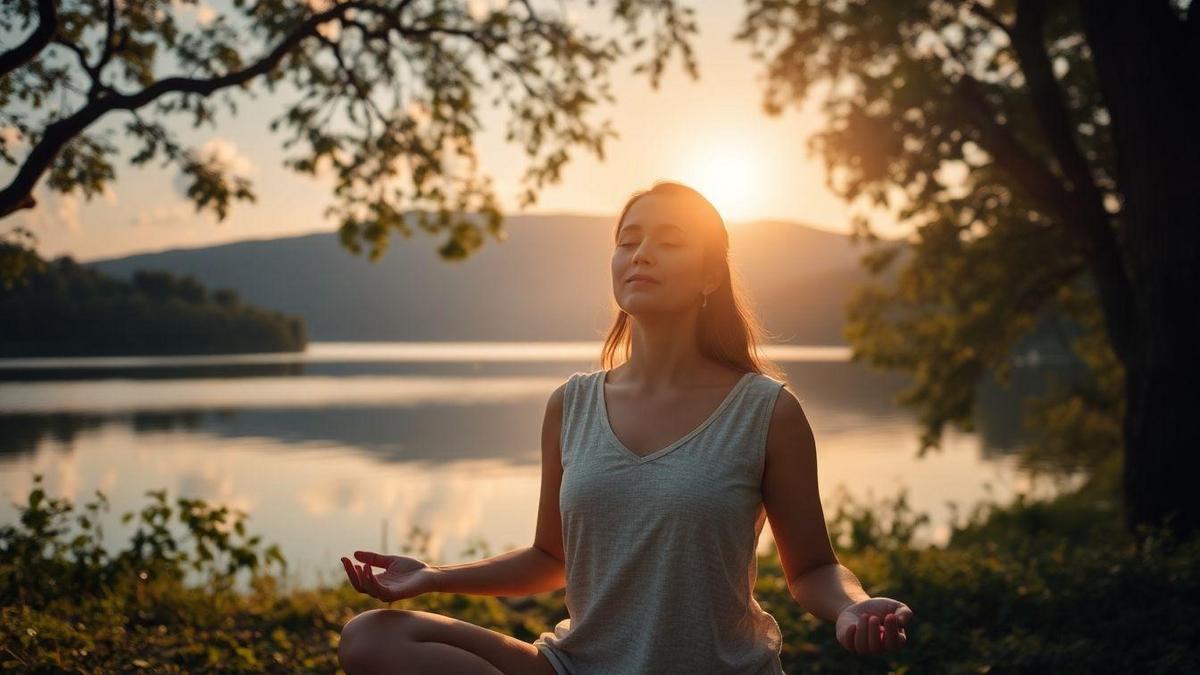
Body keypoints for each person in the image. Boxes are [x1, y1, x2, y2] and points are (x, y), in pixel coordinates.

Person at [336, 180, 914, 674]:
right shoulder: (571, 404)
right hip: (577, 663)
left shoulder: (766, 412)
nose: (641, 254)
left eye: (669, 242)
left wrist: (851, 606)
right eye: (628, 241)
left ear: (711, 276)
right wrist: (433, 576)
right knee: (371, 637)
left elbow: (812, 568)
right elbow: (549, 558)